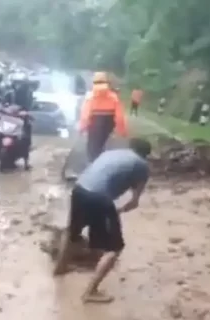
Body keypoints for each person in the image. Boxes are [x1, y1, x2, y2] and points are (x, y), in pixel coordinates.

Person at [54, 138, 152, 304]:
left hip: (79, 189)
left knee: (72, 230)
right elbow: (134, 201)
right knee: (115, 248)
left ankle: (60, 268)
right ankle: (90, 292)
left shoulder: (111, 153)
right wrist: (118, 211)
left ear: (130, 147)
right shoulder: (142, 165)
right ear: (145, 155)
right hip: (99, 197)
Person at [78, 72, 127, 163]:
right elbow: (119, 117)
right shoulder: (113, 97)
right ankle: (104, 162)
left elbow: (85, 116)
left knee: (92, 147)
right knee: (105, 145)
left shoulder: (90, 97)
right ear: (107, 82)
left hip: (94, 124)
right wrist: (122, 131)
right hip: (108, 124)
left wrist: (82, 128)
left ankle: (93, 165)